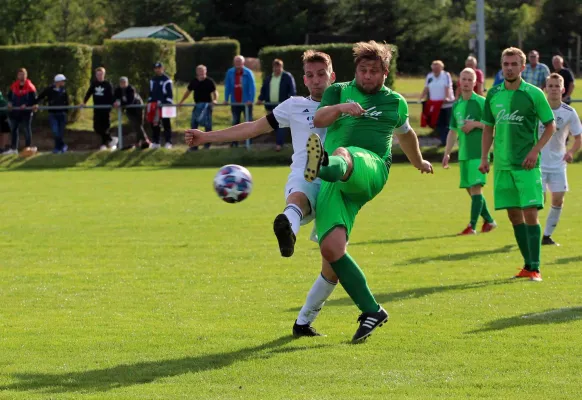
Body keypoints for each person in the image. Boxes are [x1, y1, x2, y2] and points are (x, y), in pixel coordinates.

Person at [186, 50, 338, 338]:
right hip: (305, 174)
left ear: (332, 76)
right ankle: (287, 230)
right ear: (304, 79)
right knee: (297, 200)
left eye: (321, 74)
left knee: (333, 266)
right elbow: (253, 128)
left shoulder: (345, 104)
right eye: (310, 75)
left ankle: (303, 322)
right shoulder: (294, 105)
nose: (316, 80)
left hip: (336, 185)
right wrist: (207, 136)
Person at [307, 41, 434, 343]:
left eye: (374, 72)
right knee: (331, 250)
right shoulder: (338, 90)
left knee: (343, 152)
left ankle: (323, 164)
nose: (367, 76)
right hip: (336, 183)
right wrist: (341, 108)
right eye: (363, 71)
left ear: (385, 73)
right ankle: (372, 311)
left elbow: (406, 134)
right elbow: (319, 119)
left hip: (371, 167)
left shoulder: (395, 102)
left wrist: (419, 161)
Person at [479, 47, 556, 282]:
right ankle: (527, 266)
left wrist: (534, 152)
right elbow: (488, 128)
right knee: (514, 215)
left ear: (523, 67)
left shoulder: (534, 94)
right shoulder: (493, 94)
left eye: (513, 64)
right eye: (505, 64)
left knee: (530, 213)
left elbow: (550, 125)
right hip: (502, 165)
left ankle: (535, 267)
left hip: (527, 165)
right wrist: (484, 157)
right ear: (501, 67)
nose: (509, 68)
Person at [443, 68, 496, 235]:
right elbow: (453, 131)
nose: (466, 82)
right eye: (463, 79)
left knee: (475, 188)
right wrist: (447, 152)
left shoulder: (481, 102)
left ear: (475, 83)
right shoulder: (457, 105)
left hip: (479, 153)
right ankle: (489, 221)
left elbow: (492, 126)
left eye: (469, 80)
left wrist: (474, 124)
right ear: (459, 82)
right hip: (464, 153)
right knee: (471, 190)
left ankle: (471, 226)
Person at [538, 73, 582, 246]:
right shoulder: (537, 110)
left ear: (563, 90)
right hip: (538, 163)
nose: (554, 89)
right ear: (545, 89)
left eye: (557, 86)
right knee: (537, 201)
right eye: (551, 86)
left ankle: (546, 236)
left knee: (558, 200)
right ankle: (530, 232)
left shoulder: (569, 112)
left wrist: (571, 152)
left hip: (558, 164)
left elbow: (578, 137)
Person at [257, 59, 297, 151]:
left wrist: (291, 101)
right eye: (275, 67)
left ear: (282, 67)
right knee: (273, 125)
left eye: (278, 67)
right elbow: (264, 90)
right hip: (270, 106)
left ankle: (279, 145)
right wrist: (260, 99)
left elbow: (292, 90)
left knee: (280, 125)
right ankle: (278, 143)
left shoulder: (287, 77)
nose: (277, 69)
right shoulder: (269, 78)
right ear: (273, 67)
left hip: (282, 107)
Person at [178, 65, 218, 151]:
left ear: (205, 72)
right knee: (193, 125)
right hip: (197, 105)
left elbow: (215, 92)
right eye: (199, 71)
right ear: (197, 72)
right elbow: (188, 92)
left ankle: (207, 145)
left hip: (207, 106)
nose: (201, 73)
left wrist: (215, 100)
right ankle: (194, 146)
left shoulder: (209, 81)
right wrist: (181, 101)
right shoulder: (194, 81)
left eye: (203, 71)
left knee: (208, 126)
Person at [81, 67, 117, 151]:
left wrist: (114, 102)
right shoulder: (94, 84)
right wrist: (84, 102)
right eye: (98, 74)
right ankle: (111, 139)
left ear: (104, 75)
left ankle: (104, 144)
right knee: (96, 127)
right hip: (97, 109)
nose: (99, 76)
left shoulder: (108, 84)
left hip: (105, 109)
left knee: (105, 127)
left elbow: (112, 95)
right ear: (96, 75)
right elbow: (89, 93)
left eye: (101, 74)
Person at [224, 55, 256, 147]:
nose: (238, 63)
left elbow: (252, 87)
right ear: (234, 63)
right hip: (235, 102)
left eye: (239, 61)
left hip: (246, 103)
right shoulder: (230, 72)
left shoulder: (248, 73)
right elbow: (227, 87)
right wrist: (226, 99)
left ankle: (249, 143)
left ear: (243, 62)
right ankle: (234, 143)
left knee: (248, 123)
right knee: (235, 123)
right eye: (236, 61)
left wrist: (251, 100)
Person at [420, 60, 455, 146]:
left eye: (437, 68)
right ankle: (443, 141)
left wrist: (447, 97)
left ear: (441, 68)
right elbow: (426, 88)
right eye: (434, 68)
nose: (435, 70)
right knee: (439, 124)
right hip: (435, 105)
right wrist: (421, 97)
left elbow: (447, 86)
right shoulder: (430, 76)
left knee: (448, 123)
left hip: (447, 105)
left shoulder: (446, 75)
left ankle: (449, 141)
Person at [35, 74, 69, 153]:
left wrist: (66, 111)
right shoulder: (49, 89)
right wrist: (35, 103)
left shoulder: (63, 90)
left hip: (62, 114)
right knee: (55, 131)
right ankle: (62, 146)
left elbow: (66, 102)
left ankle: (58, 148)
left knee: (60, 132)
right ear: (58, 82)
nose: (64, 83)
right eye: (63, 81)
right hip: (53, 114)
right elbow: (41, 96)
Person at [6, 68, 37, 156]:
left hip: (26, 113)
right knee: (14, 129)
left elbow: (34, 100)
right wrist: (9, 103)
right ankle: (13, 148)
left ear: (26, 75)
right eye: (20, 74)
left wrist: (27, 105)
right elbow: (9, 97)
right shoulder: (13, 86)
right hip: (15, 112)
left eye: (23, 74)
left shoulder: (30, 86)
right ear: (17, 76)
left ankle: (27, 147)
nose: (21, 76)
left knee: (27, 129)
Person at [114, 77, 150, 149]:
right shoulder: (117, 90)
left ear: (127, 83)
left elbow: (130, 101)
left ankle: (142, 140)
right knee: (135, 125)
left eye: (124, 82)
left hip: (138, 107)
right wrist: (116, 103)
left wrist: (120, 104)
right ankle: (142, 140)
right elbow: (115, 98)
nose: (123, 84)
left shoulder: (131, 89)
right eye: (121, 83)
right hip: (128, 109)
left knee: (138, 124)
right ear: (119, 83)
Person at [147, 62, 174, 149]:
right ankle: (156, 142)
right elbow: (151, 94)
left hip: (165, 105)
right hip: (155, 106)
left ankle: (168, 142)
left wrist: (165, 104)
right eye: (156, 68)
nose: (158, 70)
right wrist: (150, 103)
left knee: (166, 124)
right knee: (155, 124)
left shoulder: (167, 80)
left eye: (159, 68)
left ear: (162, 69)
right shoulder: (152, 80)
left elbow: (170, 95)